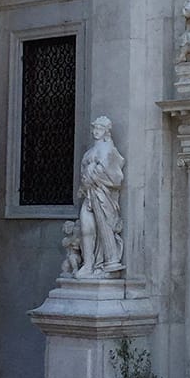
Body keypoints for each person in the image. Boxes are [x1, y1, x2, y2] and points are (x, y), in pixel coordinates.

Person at [74, 115, 125, 277]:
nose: (96, 131)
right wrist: (87, 177)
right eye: (95, 128)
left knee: (104, 227)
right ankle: (88, 264)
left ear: (106, 132)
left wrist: (95, 173)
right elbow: (83, 174)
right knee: (86, 228)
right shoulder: (90, 152)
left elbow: (116, 178)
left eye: (100, 129)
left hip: (103, 197)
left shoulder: (110, 150)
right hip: (89, 194)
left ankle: (103, 262)